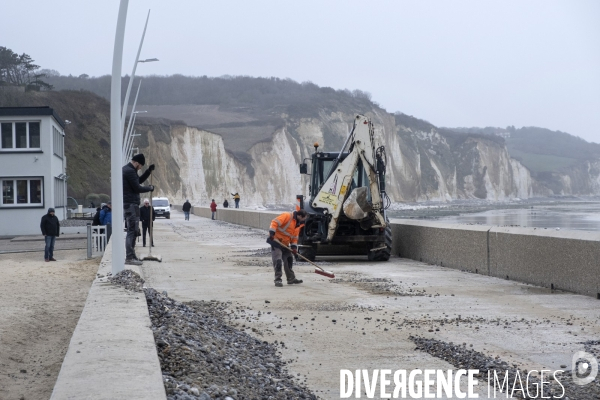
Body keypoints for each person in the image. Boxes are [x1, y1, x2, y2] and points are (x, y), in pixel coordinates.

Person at [123, 153, 155, 265]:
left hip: (130, 204)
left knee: (134, 231)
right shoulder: (129, 171)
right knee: (132, 231)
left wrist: (148, 172)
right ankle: (129, 257)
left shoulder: (129, 170)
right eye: (140, 166)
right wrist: (149, 188)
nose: (140, 168)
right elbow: (137, 187)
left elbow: (138, 181)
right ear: (136, 162)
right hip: (131, 204)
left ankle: (132, 256)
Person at [267, 209, 307, 287]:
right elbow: (274, 222)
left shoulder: (298, 225)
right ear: (300, 216)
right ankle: (278, 280)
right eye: (304, 218)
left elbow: (294, 238)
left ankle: (291, 278)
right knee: (278, 260)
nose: (304, 220)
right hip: (276, 241)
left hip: (285, 244)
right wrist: (272, 233)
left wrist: (294, 248)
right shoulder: (287, 216)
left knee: (289, 259)